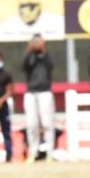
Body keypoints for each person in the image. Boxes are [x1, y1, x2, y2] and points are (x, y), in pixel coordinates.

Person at [22, 34, 55, 162]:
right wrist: (29, 49)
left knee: (47, 123)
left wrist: (44, 50)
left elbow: (51, 66)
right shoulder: (30, 56)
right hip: (31, 92)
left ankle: (50, 153)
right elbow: (23, 67)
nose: (36, 44)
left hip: (45, 92)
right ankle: (33, 152)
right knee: (32, 124)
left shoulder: (46, 55)